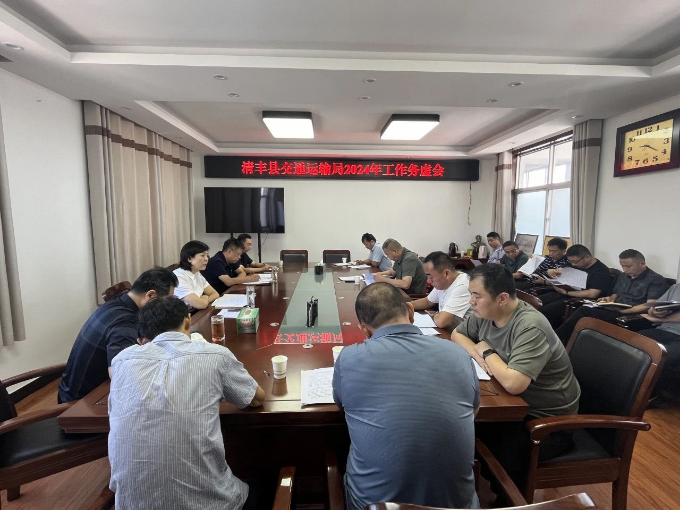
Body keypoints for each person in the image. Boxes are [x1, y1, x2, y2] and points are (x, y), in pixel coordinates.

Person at [108, 296, 266, 510]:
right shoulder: (214, 355)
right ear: (187, 321)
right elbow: (256, 398)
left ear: (144, 335)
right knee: (264, 482)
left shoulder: (121, 361)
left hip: (132, 505)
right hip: (213, 505)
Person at [333, 283, 480, 510]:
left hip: (376, 506)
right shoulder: (458, 353)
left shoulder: (349, 358)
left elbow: (343, 406)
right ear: (410, 311)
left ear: (363, 329)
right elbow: (473, 410)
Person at [452, 263, 580, 486]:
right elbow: (457, 334)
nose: (471, 301)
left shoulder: (530, 325)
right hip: (512, 405)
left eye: (477, 296)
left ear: (502, 298)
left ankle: (508, 498)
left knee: (477, 444)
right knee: (454, 429)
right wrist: (478, 354)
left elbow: (514, 383)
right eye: (470, 294)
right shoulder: (486, 312)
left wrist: (487, 351)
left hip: (546, 422)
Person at [58, 267, 178, 403]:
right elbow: (121, 377)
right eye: (167, 300)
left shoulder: (117, 304)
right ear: (150, 295)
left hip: (72, 388)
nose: (167, 306)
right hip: (82, 402)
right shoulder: (124, 324)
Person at [556, 249, 669, 343]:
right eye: (622, 266)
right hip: (614, 307)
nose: (625, 270)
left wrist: (624, 311)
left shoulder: (655, 280)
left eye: (628, 266)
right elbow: (615, 293)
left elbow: (650, 305)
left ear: (642, 264)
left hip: (631, 314)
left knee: (584, 311)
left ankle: (557, 339)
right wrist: (609, 299)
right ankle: (569, 341)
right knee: (584, 306)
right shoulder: (623, 276)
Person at [539, 245, 613, 328]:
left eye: (575, 261)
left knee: (546, 310)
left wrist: (567, 293)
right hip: (564, 292)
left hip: (578, 299)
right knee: (535, 302)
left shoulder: (601, 271)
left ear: (587, 257)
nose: (573, 264)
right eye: (571, 261)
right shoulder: (575, 265)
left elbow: (593, 293)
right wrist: (554, 274)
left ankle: (549, 333)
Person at [637, 284, 680, 398]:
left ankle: (649, 395)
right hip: (663, 330)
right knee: (629, 342)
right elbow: (654, 307)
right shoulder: (676, 287)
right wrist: (653, 312)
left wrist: (660, 319)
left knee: (659, 355)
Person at [410, 251, 472, 329]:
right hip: (447, 330)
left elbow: (441, 322)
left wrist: (435, 315)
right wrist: (405, 306)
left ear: (446, 274)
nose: (428, 281)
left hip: (460, 334)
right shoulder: (443, 282)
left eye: (430, 276)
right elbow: (428, 301)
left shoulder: (462, 286)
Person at [173, 240, 220, 309]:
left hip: (197, 311)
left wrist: (204, 300)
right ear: (189, 258)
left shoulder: (197, 273)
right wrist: (204, 298)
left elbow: (215, 294)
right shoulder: (178, 276)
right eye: (202, 255)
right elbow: (201, 305)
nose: (206, 259)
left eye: (207, 255)